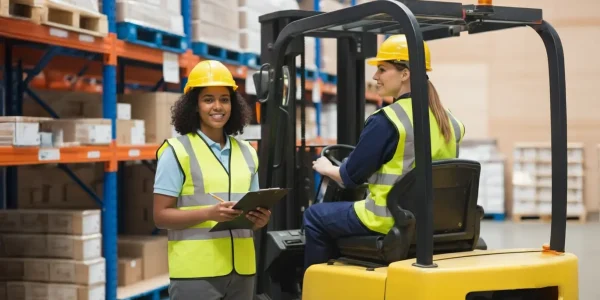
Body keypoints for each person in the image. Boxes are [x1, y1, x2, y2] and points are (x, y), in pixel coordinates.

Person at [304, 34, 465, 270]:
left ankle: (313, 289)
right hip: (433, 221)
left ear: (405, 73)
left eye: (382, 69)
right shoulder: (449, 120)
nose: (375, 76)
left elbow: (350, 177)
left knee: (315, 216)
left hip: (386, 219)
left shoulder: (388, 121)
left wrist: (327, 168)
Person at [153, 60, 271, 300]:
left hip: (243, 271)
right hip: (196, 274)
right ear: (194, 105)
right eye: (208, 99)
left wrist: (260, 219)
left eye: (224, 99)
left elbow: (253, 212)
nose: (218, 107)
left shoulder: (248, 152)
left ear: (233, 105)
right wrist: (209, 213)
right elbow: (160, 216)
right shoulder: (177, 151)